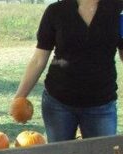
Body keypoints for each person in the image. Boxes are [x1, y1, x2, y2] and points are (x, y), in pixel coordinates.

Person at [12, 0, 123, 142]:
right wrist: (19, 98)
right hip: (58, 104)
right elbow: (38, 60)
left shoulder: (118, 9)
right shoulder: (56, 11)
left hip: (101, 105)